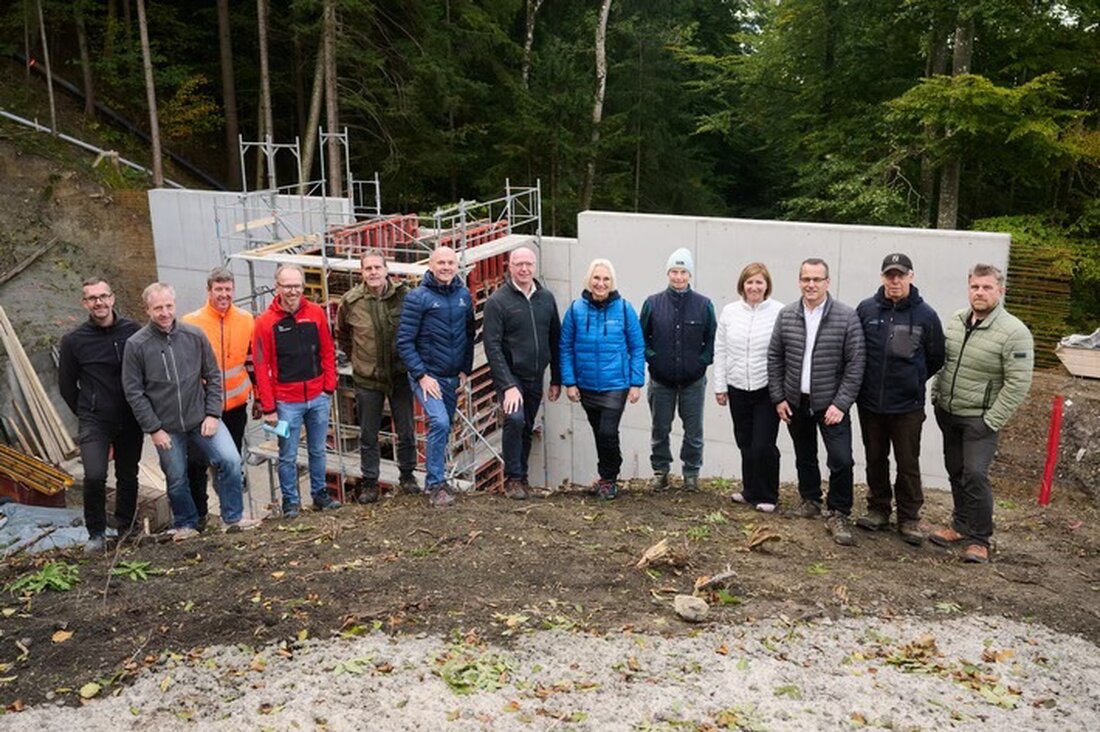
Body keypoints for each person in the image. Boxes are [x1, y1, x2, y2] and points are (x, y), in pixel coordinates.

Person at [121, 283, 255, 540]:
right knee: (176, 476)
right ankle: (186, 524)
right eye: (157, 308)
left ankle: (233, 517)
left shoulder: (194, 336)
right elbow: (134, 392)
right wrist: (154, 428)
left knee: (230, 460)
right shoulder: (137, 345)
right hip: (166, 427)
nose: (164, 312)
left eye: (168, 306)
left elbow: (213, 376)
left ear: (175, 304)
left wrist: (213, 414)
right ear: (147, 309)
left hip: (200, 419)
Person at [930, 263, 1033, 563]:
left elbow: (1018, 384)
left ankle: (979, 539)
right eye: (975, 286)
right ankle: (960, 525)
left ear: (1000, 290)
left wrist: (991, 421)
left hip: (980, 419)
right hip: (949, 411)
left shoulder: (1014, 332)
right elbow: (945, 362)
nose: (980, 292)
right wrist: (937, 396)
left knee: (975, 475)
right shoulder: (956, 321)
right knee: (956, 471)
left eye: (987, 287)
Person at [767, 258, 865, 546]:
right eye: (806, 279)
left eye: (817, 279)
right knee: (804, 454)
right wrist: (778, 397)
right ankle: (810, 499)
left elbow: (856, 363)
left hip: (831, 403)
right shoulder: (787, 315)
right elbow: (775, 358)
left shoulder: (846, 317)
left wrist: (842, 403)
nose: (811, 285)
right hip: (796, 401)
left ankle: (838, 511)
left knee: (841, 459)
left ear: (827, 282)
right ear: (799, 281)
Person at [855, 253, 945, 546]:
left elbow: (935, 358)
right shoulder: (866, 310)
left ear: (911, 276)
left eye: (900, 275)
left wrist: (913, 380)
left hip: (907, 406)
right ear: (882, 278)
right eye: (889, 275)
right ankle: (878, 509)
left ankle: (908, 518)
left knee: (907, 462)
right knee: (875, 458)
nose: (895, 281)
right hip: (870, 403)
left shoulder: (926, 316)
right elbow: (857, 351)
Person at [58, 277, 143, 554]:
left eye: (103, 296)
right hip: (95, 420)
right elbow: (67, 385)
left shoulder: (133, 331)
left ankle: (126, 528)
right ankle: (96, 533)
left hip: (130, 418)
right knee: (94, 475)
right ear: (85, 303)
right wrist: (86, 412)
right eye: (93, 298)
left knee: (128, 475)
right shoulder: (74, 341)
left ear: (112, 298)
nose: (99, 302)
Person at [252, 264, 341, 518]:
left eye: (297, 286)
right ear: (277, 286)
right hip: (286, 403)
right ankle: (291, 501)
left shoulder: (315, 313)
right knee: (288, 454)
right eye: (287, 285)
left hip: (317, 397)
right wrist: (268, 407)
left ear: (303, 287)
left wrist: (329, 387)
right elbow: (261, 366)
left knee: (318, 450)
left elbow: (327, 350)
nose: (292, 291)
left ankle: (320, 494)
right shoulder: (264, 323)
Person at [336, 249, 419, 504]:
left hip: (400, 375)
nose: (373, 272)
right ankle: (370, 483)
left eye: (377, 268)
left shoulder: (404, 297)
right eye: (368, 268)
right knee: (368, 434)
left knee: (405, 430)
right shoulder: (351, 302)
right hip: (368, 379)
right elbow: (344, 336)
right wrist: (359, 360)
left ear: (386, 270)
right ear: (362, 272)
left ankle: (407, 476)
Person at [396, 246, 475, 508]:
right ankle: (434, 483)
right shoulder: (417, 297)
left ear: (457, 266)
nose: (446, 267)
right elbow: (404, 341)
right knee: (439, 422)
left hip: (452, 376)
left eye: (450, 262)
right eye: (440, 262)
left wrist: (465, 368)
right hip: (428, 376)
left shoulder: (464, 295)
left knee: (445, 425)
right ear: (430, 266)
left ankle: (439, 478)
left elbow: (469, 333)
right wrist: (421, 375)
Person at [560, 258, 645, 500]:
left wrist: (636, 383)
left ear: (612, 282)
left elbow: (637, 347)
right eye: (596, 278)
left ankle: (609, 475)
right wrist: (570, 382)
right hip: (586, 385)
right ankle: (607, 476)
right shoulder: (575, 309)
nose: (601, 283)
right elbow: (565, 347)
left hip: (616, 384)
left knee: (608, 431)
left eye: (606, 279)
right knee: (600, 433)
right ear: (589, 280)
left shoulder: (625, 309)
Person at [482, 246, 562, 499]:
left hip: (535, 375)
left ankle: (523, 478)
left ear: (535, 266)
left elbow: (555, 338)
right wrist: (507, 385)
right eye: (519, 264)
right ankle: (513, 479)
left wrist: (557, 378)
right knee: (514, 420)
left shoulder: (546, 298)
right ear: (510, 267)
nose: (524, 269)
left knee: (527, 425)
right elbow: (491, 346)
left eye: (528, 264)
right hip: (510, 376)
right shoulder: (498, 301)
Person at [181, 267, 254, 530]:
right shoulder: (191, 322)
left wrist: (255, 395)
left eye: (228, 289)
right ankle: (198, 516)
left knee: (230, 462)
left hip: (235, 406)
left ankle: (229, 517)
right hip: (201, 408)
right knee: (196, 463)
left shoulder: (246, 319)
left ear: (233, 290)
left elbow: (250, 359)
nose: (224, 294)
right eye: (218, 290)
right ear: (209, 291)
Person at [639, 248, 716, 492]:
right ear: (668, 273)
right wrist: (653, 358)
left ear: (690, 275)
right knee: (660, 428)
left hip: (693, 381)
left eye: (683, 272)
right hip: (661, 381)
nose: (679, 277)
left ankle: (691, 473)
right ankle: (661, 471)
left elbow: (712, 338)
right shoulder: (652, 303)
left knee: (693, 431)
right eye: (674, 271)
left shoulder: (704, 305)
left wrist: (702, 362)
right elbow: (642, 337)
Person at [714, 263, 783, 512]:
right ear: (742, 285)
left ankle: (768, 494)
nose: (754, 287)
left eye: (759, 282)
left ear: (767, 286)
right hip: (737, 387)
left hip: (767, 389)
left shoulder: (779, 312)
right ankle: (750, 490)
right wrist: (720, 386)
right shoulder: (730, 311)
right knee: (744, 441)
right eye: (749, 282)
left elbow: (784, 352)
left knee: (763, 444)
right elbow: (720, 349)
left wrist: (783, 391)